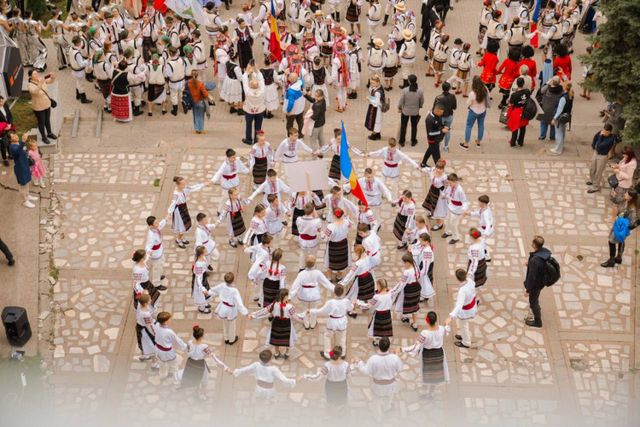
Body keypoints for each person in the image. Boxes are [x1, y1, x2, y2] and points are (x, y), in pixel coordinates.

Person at [402, 311, 451, 395]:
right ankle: (431, 392)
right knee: (435, 374)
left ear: (427, 320)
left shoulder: (425, 333)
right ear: (436, 320)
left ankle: (424, 390)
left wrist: (402, 349)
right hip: (439, 355)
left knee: (426, 373)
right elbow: (447, 330)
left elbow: (415, 347)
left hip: (427, 355)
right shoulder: (441, 329)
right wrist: (446, 323)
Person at [249, 288, 306, 359]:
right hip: (286, 325)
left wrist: (253, 315)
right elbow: (296, 317)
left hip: (276, 324)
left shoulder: (274, 305)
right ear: (285, 297)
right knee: (287, 339)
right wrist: (304, 316)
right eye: (287, 296)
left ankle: (276, 353)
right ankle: (287, 352)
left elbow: (264, 311)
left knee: (276, 338)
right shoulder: (289, 307)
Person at [353, 337, 404, 410]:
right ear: (389, 346)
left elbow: (366, 371)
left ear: (379, 346)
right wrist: (396, 356)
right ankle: (387, 408)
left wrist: (359, 362)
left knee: (376, 400)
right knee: (389, 398)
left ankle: (378, 416)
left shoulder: (373, 359)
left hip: (377, 385)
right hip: (390, 385)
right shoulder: (395, 358)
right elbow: (400, 368)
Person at [180, 325, 230, 399]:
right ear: (201, 337)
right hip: (200, 365)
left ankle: (196, 391)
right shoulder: (204, 347)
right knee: (204, 380)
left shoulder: (190, 342)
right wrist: (225, 367)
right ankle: (202, 395)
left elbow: (187, 350)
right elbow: (213, 358)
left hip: (190, 363)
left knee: (195, 377)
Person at [309, 284, 353, 360]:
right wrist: (352, 304)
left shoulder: (331, 302)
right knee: (342, 338)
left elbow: (321, 311)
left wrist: (311, 310)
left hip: (332, 322)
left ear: (334, 292)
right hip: (342, 322)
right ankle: (342, 354)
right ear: (343, 292)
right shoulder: (346, 301)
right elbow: (350, 308)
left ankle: (328, 354)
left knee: (327, 337)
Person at [601, 190, 639, 268]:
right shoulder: (625, 201)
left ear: (631, 197)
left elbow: (633, 221)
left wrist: (626, 227)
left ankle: (611, 261)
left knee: (611, 241)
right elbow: (615, 202)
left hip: (622, 227)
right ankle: (619, 258)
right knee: (621, 240)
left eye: (627, 193)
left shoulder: (632, 209)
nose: (625, 194)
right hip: (619, 225)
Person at [210, 272, 249, 344]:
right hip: (231, 309)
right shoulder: (234, 291)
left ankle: (226, 338)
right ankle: (232, 339)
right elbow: (239, 303)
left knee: (225, 323)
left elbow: (214, 290)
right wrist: (245, 313)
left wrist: (208, 292)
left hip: (223, 307)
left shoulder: (222, 285)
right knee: (232, 324)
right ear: (233, 280)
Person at [152, 311, 188, 383]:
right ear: (166, 321)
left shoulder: (156, 325)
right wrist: (186, 347)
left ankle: (162, 375)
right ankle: (175, 376)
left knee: (162, 363)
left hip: (157, 349)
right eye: (169, 319)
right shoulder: (169, 332)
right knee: (174, 364)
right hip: (167, 352)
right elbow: (177, 341)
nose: (170, 319)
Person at [448, 268, 477, 348]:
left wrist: (452, 315)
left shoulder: (462, 291)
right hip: (471, 304)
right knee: (463, 324)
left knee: (464, 325)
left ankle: (466, 342)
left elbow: (459, 305)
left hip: (466, 309)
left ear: (457, 278)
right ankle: (462, 335)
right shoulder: (470, 281)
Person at [27, 70, 57, 145]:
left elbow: (49, 81)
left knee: (47, 120)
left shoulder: (40, 79)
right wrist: (40, 83)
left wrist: (52, 77)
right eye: (34, 74)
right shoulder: (30, 85)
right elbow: (35, 92)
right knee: (41, 122)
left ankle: (49, 133)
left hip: (47, 104)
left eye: (37, 73)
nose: (37, 75)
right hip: (38, 107)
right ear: (30, 76)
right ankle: (44, 137)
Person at [586, 124, 618, 194]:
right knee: (592, 169)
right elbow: (595, 137)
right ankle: (592, 181)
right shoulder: (601, 132)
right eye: (603, 130)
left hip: (603, 156)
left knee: (598, 172)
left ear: (609, 132)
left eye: (605, 131)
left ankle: (596, 187)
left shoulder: (611, 139)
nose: (603, 132)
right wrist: (593, 146)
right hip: (596, 153)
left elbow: (600, 145)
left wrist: (601, 136)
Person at [8, 132, 37, 208]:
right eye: (13, 136)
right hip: (20, 168)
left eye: (15, 134)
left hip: (25, 165)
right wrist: (23, 141)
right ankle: (25, 201)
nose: (15, 136)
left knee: (27, 182)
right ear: (10, 140)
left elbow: (24, 151)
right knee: (23, 185)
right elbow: (17, 151)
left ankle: (27, 195)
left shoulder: (19, 143)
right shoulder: (12, 147)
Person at [460, 76, 488, 150]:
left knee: (469, 126)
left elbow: (468, 103)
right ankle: (478, 142)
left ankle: (466, 144)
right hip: (483, 111)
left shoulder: (472, 93)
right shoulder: (485, 90)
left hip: (473, 111)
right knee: (481, 125)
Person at [610, 146, 638, 214]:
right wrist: (617, 166)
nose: (623, 155)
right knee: (616, 200)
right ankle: (616, 214)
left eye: (624, 154)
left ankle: (616, 217)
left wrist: (618, 171)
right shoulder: (627, 158)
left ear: (629, 154)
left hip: (623, 185)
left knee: (618, 202)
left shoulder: (632, 163)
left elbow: (628, 176)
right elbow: (622, 166)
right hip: (619, 182)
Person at [397, 74, 423, 147]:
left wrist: (399, 107)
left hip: (405, 111)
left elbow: (401, 101)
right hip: (415, 111)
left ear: (409, 81)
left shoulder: (405, 90)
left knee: (403, 126)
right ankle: (413, 141)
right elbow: (421, 101)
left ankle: (402, 141)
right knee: (414, 126)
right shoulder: (420, 91)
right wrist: (419, 106)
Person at [549, 81, 574, 155]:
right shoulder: (570, 95)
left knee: (559, 133)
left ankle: (558, 149)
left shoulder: (563, 98)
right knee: (562, 132)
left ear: (565, 87)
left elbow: (559, 110)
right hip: (566, 116)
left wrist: (554, 118)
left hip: (560, 117)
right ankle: (561, 146)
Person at [442, 173, 467, 244]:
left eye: (450, 183)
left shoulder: (460, 191)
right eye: (448, 182)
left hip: (457, 210)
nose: (449, 184)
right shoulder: (451, 186)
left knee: (453, 224)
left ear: (455, 182)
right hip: (450, 207)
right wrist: (445, 196)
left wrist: (463, 210)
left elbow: (464, 201)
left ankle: (456, 237)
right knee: (447, 221)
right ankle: (448, 232)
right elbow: (448, 193)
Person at [242, 70, 266, 144]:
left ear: (250, 85)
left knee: (248, 125)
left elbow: (244, 81)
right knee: (258, 126)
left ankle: (248, 140)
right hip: (259, 111)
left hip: (249, 111)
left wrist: (246, 72)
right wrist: (258, 71)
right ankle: (256, 140)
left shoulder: (248, 91)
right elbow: (262, 80)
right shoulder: (262, 91)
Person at [506, 77, 531, 148]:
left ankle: (513, 142)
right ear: (523, 84)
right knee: (523, 127)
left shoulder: (514, 94)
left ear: (517, 84)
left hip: (517, 111)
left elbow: (510, 104)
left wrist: (508, 101)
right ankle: (520, 142)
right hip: (525, 111)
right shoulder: (527, 91)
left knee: (515, 127)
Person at [538, 76, 563, 142]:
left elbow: (541, 90)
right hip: (555, 109)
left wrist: (547, 83)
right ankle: (552, 137)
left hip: (545, 108)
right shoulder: (561, 90)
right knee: (553, 124)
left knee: (543, 123)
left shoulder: (547, 89)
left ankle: (542, 136)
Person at [432, 82, 456, 152]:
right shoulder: (453, 96)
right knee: (447, 131)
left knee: (438, 131)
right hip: (449, 116)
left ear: (442, 88)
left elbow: (434, 108)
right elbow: (454, 107)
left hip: (440, 117)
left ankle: (437, 146)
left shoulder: (438, 97)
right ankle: (446, 147)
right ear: (449, 88)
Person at [187, 70, 209, 134]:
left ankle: (196, 129)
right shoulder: (200, 83)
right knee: (201, 116)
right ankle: (201, 129)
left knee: (195, 115)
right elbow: (205, 94)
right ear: (197, 76)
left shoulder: (188, 83)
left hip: (193, 102)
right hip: (200, 101)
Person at [364, 74, 385, 141]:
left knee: (375, 121)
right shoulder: (377, 87)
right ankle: (378, 134)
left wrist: (369, 99)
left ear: (378, 83)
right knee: (376, 121)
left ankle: (374, 135)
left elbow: (376, 103)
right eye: (371, 83)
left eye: (373, 83)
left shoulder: (377, 93)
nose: (372, 84)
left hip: (377, 109)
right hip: (375, 108)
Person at [0, 96, 15, 166]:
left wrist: (10, 124)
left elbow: (9, 115)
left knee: (9, 141)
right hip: (1, 130)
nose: (1, 103)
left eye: (2, 101)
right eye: (0, 102)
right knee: (3, 144)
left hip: (8, 127)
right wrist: (4, 127)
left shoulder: (5, 105)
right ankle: (5, 159)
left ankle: (10, 154)